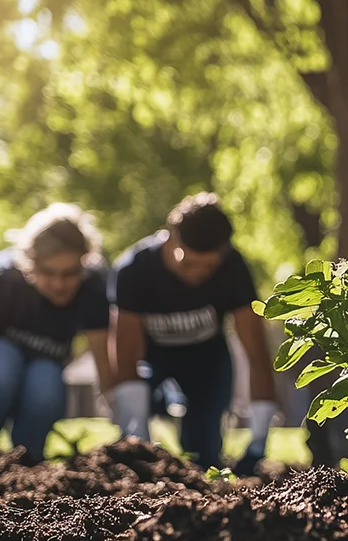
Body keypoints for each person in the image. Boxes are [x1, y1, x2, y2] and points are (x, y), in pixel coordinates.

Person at [0, 204, 116, 473]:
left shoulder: (93, 287)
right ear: (30, 264)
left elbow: (106, 369)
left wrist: (127, 426)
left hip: (42, 381)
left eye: (69, 273)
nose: (59, 284)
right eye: (48, 273)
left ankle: (26, 465)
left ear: (84, 263)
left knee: (46, 380)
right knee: (1, 365)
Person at [107, 193, 279, 471]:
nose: (197, 274)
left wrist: (259, 441)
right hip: (152, 363)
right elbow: (126, 357)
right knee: (136, 448)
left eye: (208, 266)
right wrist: (137, 437)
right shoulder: (135, 270)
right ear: (171, 237)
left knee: (203, 453)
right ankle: (156, 412)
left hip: (207, 362)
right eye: (188, 263)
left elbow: (257, 354)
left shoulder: (233, 269)